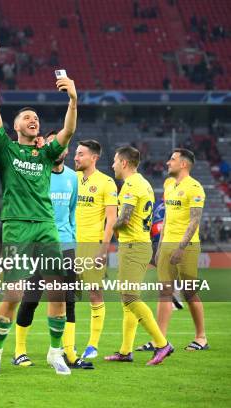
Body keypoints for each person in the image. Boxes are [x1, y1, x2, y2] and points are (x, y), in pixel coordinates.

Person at [0, 37, 78, 376]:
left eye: (35, 117)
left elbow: (67, 131)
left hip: (46, 223)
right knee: (14, 292)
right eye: (27, 116)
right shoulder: (7, 149)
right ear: (17, 126)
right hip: (18, 224)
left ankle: (54, 352)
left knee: (58, 289)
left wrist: (74, 98)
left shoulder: (45, 152)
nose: (33, 119)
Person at [12, 132, 93, 370]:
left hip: (66, 245)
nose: (57, 149)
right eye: (51, 144)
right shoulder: (37, 173)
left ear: (66, 149)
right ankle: (19, 351)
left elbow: (71, 215)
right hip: (39, 244)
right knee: (31, 299)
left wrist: (75, 248)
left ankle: (67, 353)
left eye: (61, 145)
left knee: (68, 301)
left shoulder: (72, 178)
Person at [105, 145, 173, 365]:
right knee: (128, 300)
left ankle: (162, 344)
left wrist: (105, 229)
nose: (112, 164)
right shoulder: (143, 182)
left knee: (130, 298)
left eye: (115, 161)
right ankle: (125, 351)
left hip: (134, 245)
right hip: (138, 245)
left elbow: (124, 219)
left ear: (124, 163)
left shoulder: (131, 185)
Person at [138, 149, 208, 352]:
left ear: (184, 164)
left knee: (189, 291)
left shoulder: (195, 188)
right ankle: (160, 340)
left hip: (187, 246)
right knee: (164, 292)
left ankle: (201, 337)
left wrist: (181, 247)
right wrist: (159, 247)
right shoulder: (168, 185)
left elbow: (195, 220)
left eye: (173, 160)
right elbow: (167, 218)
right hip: (166, 244)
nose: (168, 162)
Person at [73, 139, 118, 360]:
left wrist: (103, 250)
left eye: (80, 154)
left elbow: (112, 219)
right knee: (65, 296)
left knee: (94, 294)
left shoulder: (106, 183)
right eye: (76, 153)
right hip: (68, 245)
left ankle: (92, 345)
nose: (76, 157)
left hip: (92, 247)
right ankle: (66, 345)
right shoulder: (71, 179)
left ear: (94, 158)